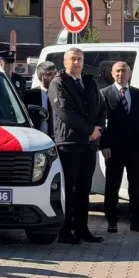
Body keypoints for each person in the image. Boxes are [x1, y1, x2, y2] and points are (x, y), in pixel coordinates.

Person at [48, 47, 106, 245]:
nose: (76, 62)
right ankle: (65, 230)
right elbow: (65, 113)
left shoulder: (89, 82)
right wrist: (89, 130)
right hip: (69, 143)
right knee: (69, 189)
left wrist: (98, 128)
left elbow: (101, 106)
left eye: (80, 59)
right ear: (65, 62)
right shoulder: (59, 83)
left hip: (89, 144)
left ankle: (82, 229)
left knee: (84, 189)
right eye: (72, 59)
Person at [100, 61, 139, 234]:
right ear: (113, 74)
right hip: (113, 149)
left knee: (136, 187)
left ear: (129, 73)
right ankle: (111, 221)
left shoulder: (137, 93)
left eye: (124, 71)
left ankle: (136, 222)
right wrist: (103, 145)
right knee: (112, 186)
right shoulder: (105, 94)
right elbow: (101, 123)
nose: (121, 74)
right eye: (118, 71)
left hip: (135, 149)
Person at [24, 61, 58, 136]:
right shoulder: (29, 95)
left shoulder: (62, 94)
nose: (54, 77)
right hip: (38, 136)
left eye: (55, 73)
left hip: (60, 139)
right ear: (41, 76)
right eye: (49, 74)